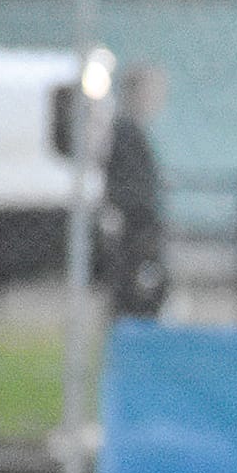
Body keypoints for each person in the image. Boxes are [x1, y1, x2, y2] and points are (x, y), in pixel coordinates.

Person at [103, 62, 170, 319]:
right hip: (135, 232)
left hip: (139, 231)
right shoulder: (125, 131)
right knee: (138, 293)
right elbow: (129, 188)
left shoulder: (133, 131)